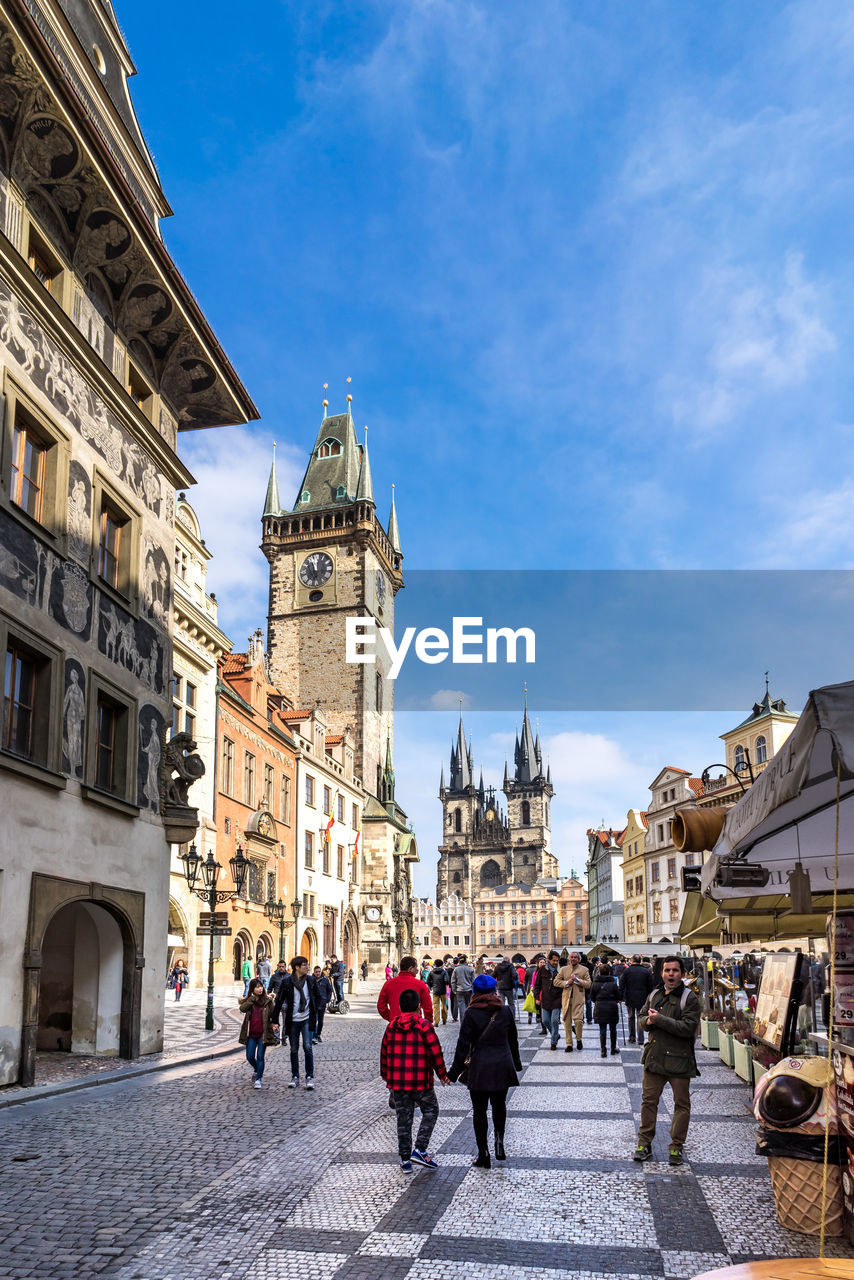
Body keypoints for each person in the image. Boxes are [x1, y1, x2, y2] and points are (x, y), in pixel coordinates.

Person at [448, 974, 523, 1168]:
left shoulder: (471, 1013)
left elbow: (463, 1046)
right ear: (493, 990)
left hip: (480, 1068)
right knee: (499, 1106)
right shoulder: (505, 1011)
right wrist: (516, 1063)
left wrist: (453, 1073)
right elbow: (513, 1041)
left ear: (475, 992)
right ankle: (499, 1143)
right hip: (502, 1066)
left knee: (479, 1111)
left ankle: (483, 1153)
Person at [633, 955, 701, 1166]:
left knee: (681, 1104)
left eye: (675, 971)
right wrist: (648, 1021)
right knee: (648, 1102)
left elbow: (688, 1028)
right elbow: (642, 1018)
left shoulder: (689, 998)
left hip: (679, 1060)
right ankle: (644, 1143)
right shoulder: (654, 994)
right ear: (662, 973)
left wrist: (659, 1020)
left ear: (682, 973)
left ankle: (676, 1147)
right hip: (654, 1058)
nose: (671, 974)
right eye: (667, 971)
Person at [381, 987, 449, 1172]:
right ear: (419, 1006)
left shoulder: (392, 1026)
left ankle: (405, 1160)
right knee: (431, 1110)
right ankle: (420, 1148)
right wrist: (442, 1074)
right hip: (421, 1082)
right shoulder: (424, 1025)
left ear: (400, 1007)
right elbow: (435, 1051)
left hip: (398, 1083)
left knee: (403, 1120)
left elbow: (385, 1053)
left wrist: (387, 1076)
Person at [272, 955, 320, 1090]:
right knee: (293, 1049)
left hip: (306, 1019)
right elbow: (279, 1001)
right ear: (297, 968)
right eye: (304, 965)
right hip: (293, 1020)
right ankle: (295, 1076)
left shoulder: (310, 980)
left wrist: (317, 1009)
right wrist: (274, 1020)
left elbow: (318, 996)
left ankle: (309, 1077)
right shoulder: (287, 982)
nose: (307, 967)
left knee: (308, 1047)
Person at [238, 978, 276, 1089]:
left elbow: (273, 1014)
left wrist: (274, 1025)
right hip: (251, 1033)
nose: (260, 988)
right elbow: (242, 1008)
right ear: (252, 989)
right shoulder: (250, 1000)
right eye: (257, 987)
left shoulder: (268, 1000)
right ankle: (256, 1068)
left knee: (260, 1056)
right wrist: (251, 999)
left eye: (261, 986)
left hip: (263, 1033)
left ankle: (259, 1078)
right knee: (249, 1056)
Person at [554, 951, 591, 1052]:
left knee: (578, 1021)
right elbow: (555, 982)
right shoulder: (563, 970)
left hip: (578, 1000)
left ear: (579, 959)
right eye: (571, 957)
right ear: (569, 959)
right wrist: (566, 982)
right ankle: (569, 1044)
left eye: (575, 957)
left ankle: (579, 1039)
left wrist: (577, 980)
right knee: (567, 1022)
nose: (573, 959)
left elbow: (588, 984)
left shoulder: (584, 970)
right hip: (566, 999)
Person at [378, 955, 433, 1022]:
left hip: (396, 1024)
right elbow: (428, 1007)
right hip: (415, 1024)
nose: (417, 970)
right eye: (416, 967)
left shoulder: (389, 983)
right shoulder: (420, 984)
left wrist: (391, 1017)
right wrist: (427, 1023)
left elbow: (381, 1006)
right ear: (410, 968)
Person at [620, 955, 654, 1046]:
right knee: (640, 1017)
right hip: (642, 998)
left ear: (632, 961)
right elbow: (650, 986)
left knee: (631, 1017)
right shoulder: (646, 971)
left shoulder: (627, 971)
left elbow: (622, 984)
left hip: (630, 997)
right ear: (640, 961)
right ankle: (641, 1039)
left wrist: (620, 997)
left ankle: (632, 1037)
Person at [533, 950, 563, 1048]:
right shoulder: (542, 970)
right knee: (545, 1020)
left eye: (557, 961)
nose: (555, 962)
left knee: (554, 1020)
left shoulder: (560, 970)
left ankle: (553, 1041)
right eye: (554, 960)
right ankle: (556, 1035)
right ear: (549, 960)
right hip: (545, 999)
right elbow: (537, 985)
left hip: (557, 999)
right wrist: (537, 997)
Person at [591, 962, 621, 1056]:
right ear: (609, 972)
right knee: (613, 1029)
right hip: (612, 1007)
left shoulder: (595, 983)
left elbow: (592, 997)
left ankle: (603, 1050)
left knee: (602, 1029)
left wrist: (598, 1000)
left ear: (599, 972)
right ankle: (613, 1049)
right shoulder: (613, 983)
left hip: (600, 1007)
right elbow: (618, 996)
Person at [313, 965, 333, 1043]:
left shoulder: (325, 980)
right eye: (316, 972)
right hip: (314, 1004)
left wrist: (327, 999)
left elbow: (329, 990)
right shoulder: (311, 980)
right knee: (314, 1021)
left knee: (320, 1022)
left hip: (322, 1003)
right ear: (314, 972)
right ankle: (314, 1036)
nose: (318, 973)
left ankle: (318, 1034)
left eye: (319, 971)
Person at [451, 954, 475, 1020]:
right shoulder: (470, 969)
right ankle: (469, 1023)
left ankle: (463, 1025)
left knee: (461, 1009)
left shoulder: (456, 969)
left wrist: (454, 990)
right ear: (465, 961)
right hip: (469, 990)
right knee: (469, 1007)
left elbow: (453, 981)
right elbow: (473, 981)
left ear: (459, 961)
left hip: (459, 990)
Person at [427, 958, 450, 1025]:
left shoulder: (431, 972)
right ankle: (444, 1019)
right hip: (443, 991)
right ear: (442, 964)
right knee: (444, 1005)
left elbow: (428, 981)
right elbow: (447, 981)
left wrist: (432, 986)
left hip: (435, 991)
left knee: (436, 1006)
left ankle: (436, 1022)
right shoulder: (444, 972)